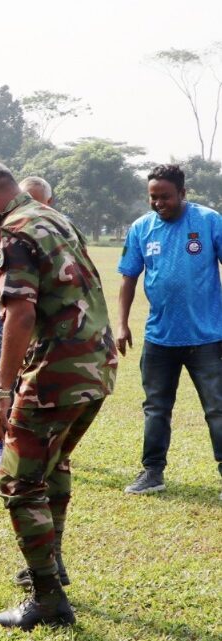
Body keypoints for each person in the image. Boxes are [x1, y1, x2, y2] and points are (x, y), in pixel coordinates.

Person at [0, 158, 117, 630]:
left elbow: (19, 314)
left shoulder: (13, 233)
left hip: (56, 374)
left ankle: (47, 599)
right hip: (96, 366)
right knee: (54, 464)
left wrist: (0, 392)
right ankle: (51, 567)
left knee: (19, 482)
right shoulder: (52, 217)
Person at [117, 163, 222, 497]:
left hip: (207, 337)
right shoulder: (141, 229)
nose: (159, 203)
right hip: (159, 338)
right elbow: (128, 278)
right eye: (153, 197)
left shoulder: (208, 221)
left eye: (165, 197)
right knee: (156, 408)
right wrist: (121, 324)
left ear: (183, 194)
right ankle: (152, 473)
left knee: (217, 408)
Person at [0, 176, 56, 472]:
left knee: (37, 385)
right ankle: (2, 446)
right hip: (5, 318)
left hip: (43, 328)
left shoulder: (49, 227)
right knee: (4, 375)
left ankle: (36, 447)